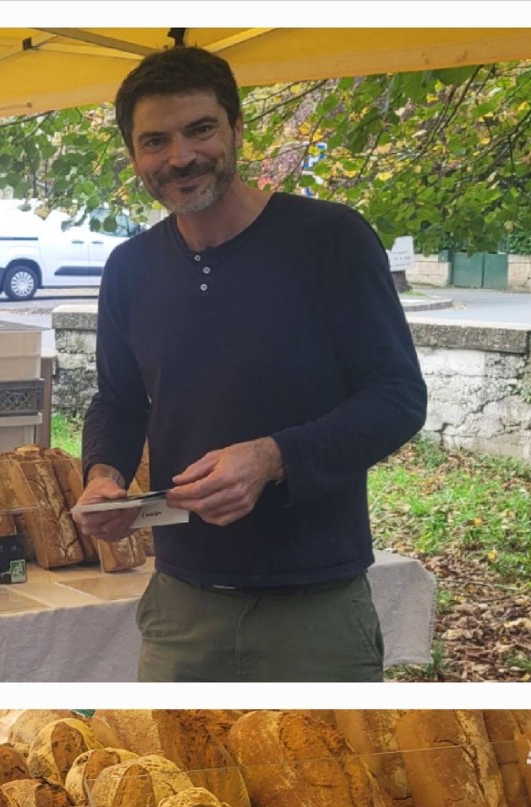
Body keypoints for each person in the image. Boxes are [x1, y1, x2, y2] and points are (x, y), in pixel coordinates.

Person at [76, 45, 427, 681]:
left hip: (315, 608)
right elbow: (119, 400)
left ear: (237, 129)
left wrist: (272, 457)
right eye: (155, 141)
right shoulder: (129, 268)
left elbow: (398, 397)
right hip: (182, 605)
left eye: (200, 129)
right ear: (133, 154)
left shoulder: (330, 240)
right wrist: (104, 476)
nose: (180, 156)